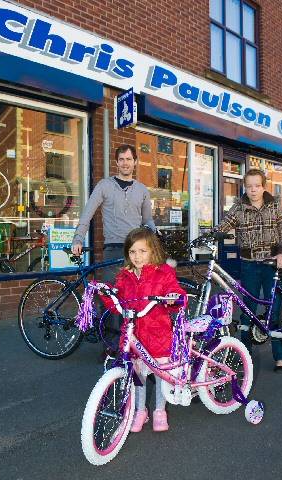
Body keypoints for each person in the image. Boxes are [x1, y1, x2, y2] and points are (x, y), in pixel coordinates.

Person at [71, 144, 156, 355]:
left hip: (137, 252)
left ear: (135, 162)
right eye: (122, 159)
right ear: (116, 162)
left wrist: (156, 238)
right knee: (112, 299)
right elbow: (88, 212)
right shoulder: (104, 186)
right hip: (113, 249)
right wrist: (77, 238)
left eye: (129, 159)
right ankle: (111, 346)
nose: (126, 163)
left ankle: (134, 343)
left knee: (137, 298)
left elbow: (147, 221)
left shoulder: (142, 190)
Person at [100, 227, 186, 432]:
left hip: (158, 334)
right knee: (137, 376)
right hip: (134, 335)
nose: (137, 256)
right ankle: (140, 411)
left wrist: (173, 296)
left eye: (142, 251)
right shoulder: (125, 276)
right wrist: (106, 292)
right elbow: (116, 303)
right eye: (132, 252)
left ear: (152, 251)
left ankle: (159, 410)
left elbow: (176, 293)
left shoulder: (163, 273)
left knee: (159, 376)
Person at [217, 168, 282, 371]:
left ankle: (280, 356)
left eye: (257, 186)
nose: (253, 190)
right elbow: (224, 225)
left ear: (263, 186)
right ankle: (245, 355)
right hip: (248, 265)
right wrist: (210, 234)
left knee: (274, 311)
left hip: (271, 265)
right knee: (247, 310)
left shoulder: (274, 205)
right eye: (249, 186)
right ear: (245, 187)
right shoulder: (239, 207)